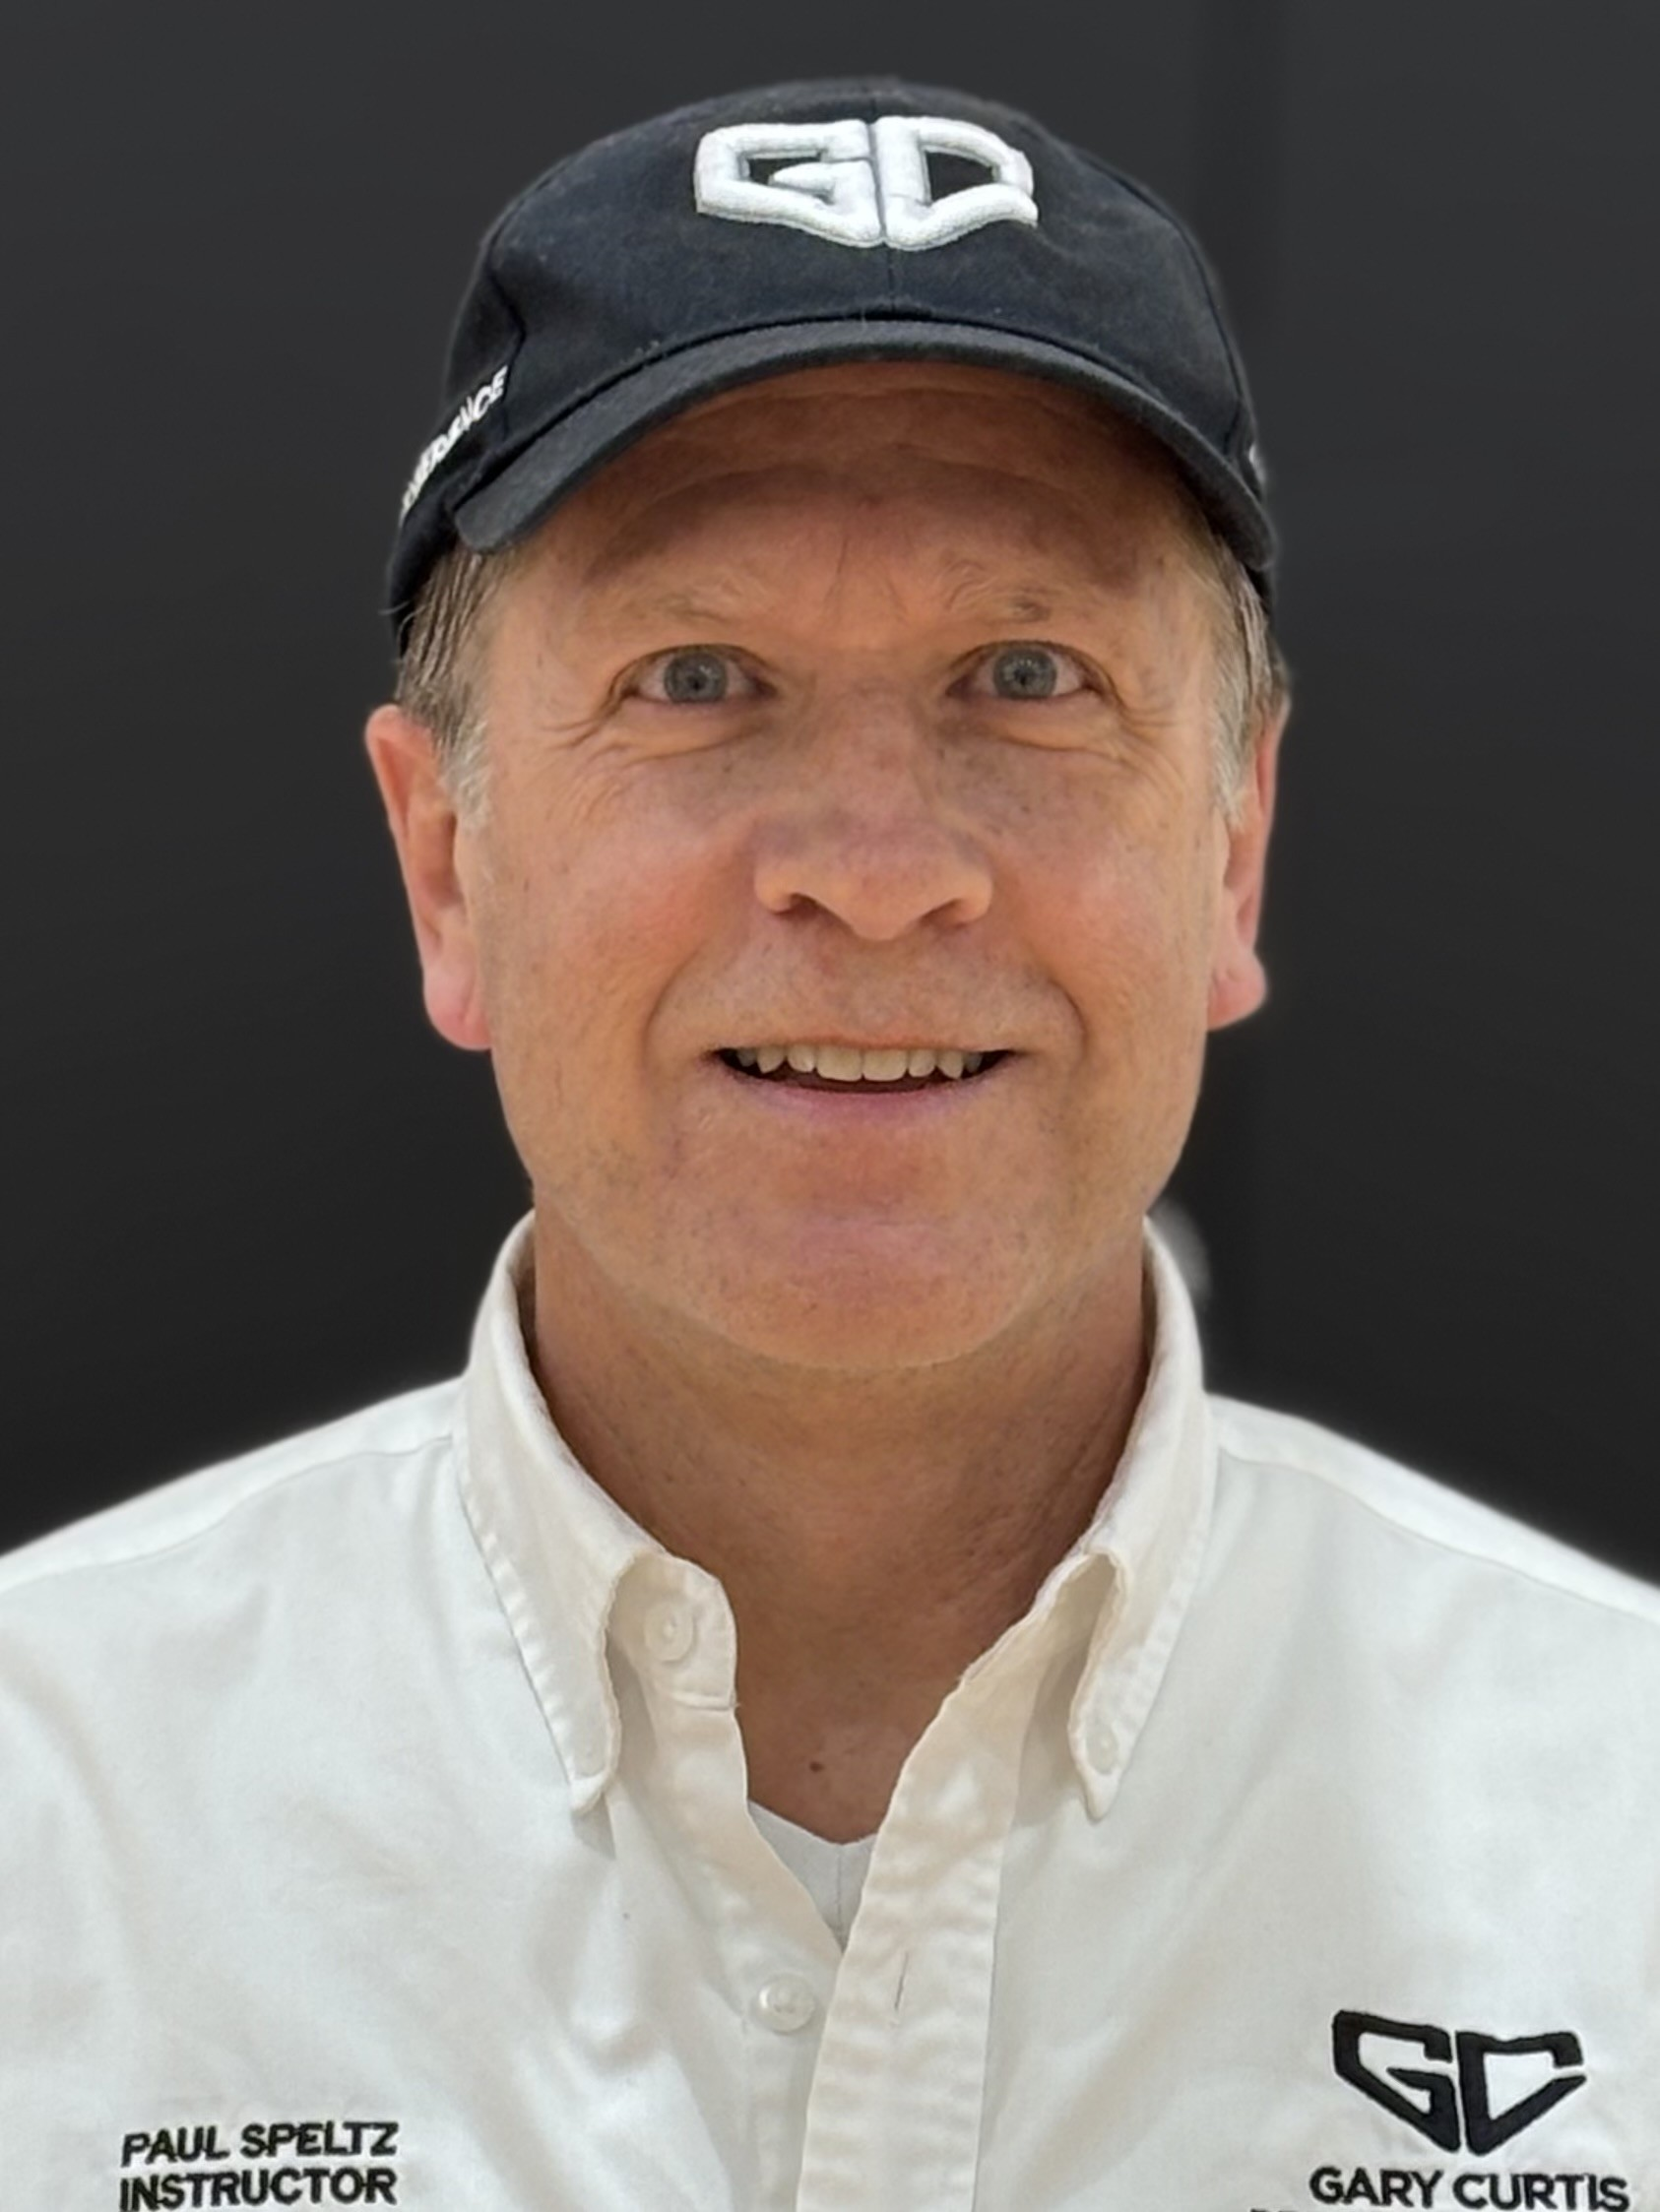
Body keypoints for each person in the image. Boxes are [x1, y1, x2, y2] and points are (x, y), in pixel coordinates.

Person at [5, 75, 1657, 2209]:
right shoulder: (46, 1809)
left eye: (1027, 673)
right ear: (445, 867)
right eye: (698, 677)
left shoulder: (1622, 1808)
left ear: (1233, 846)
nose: (879, 871)